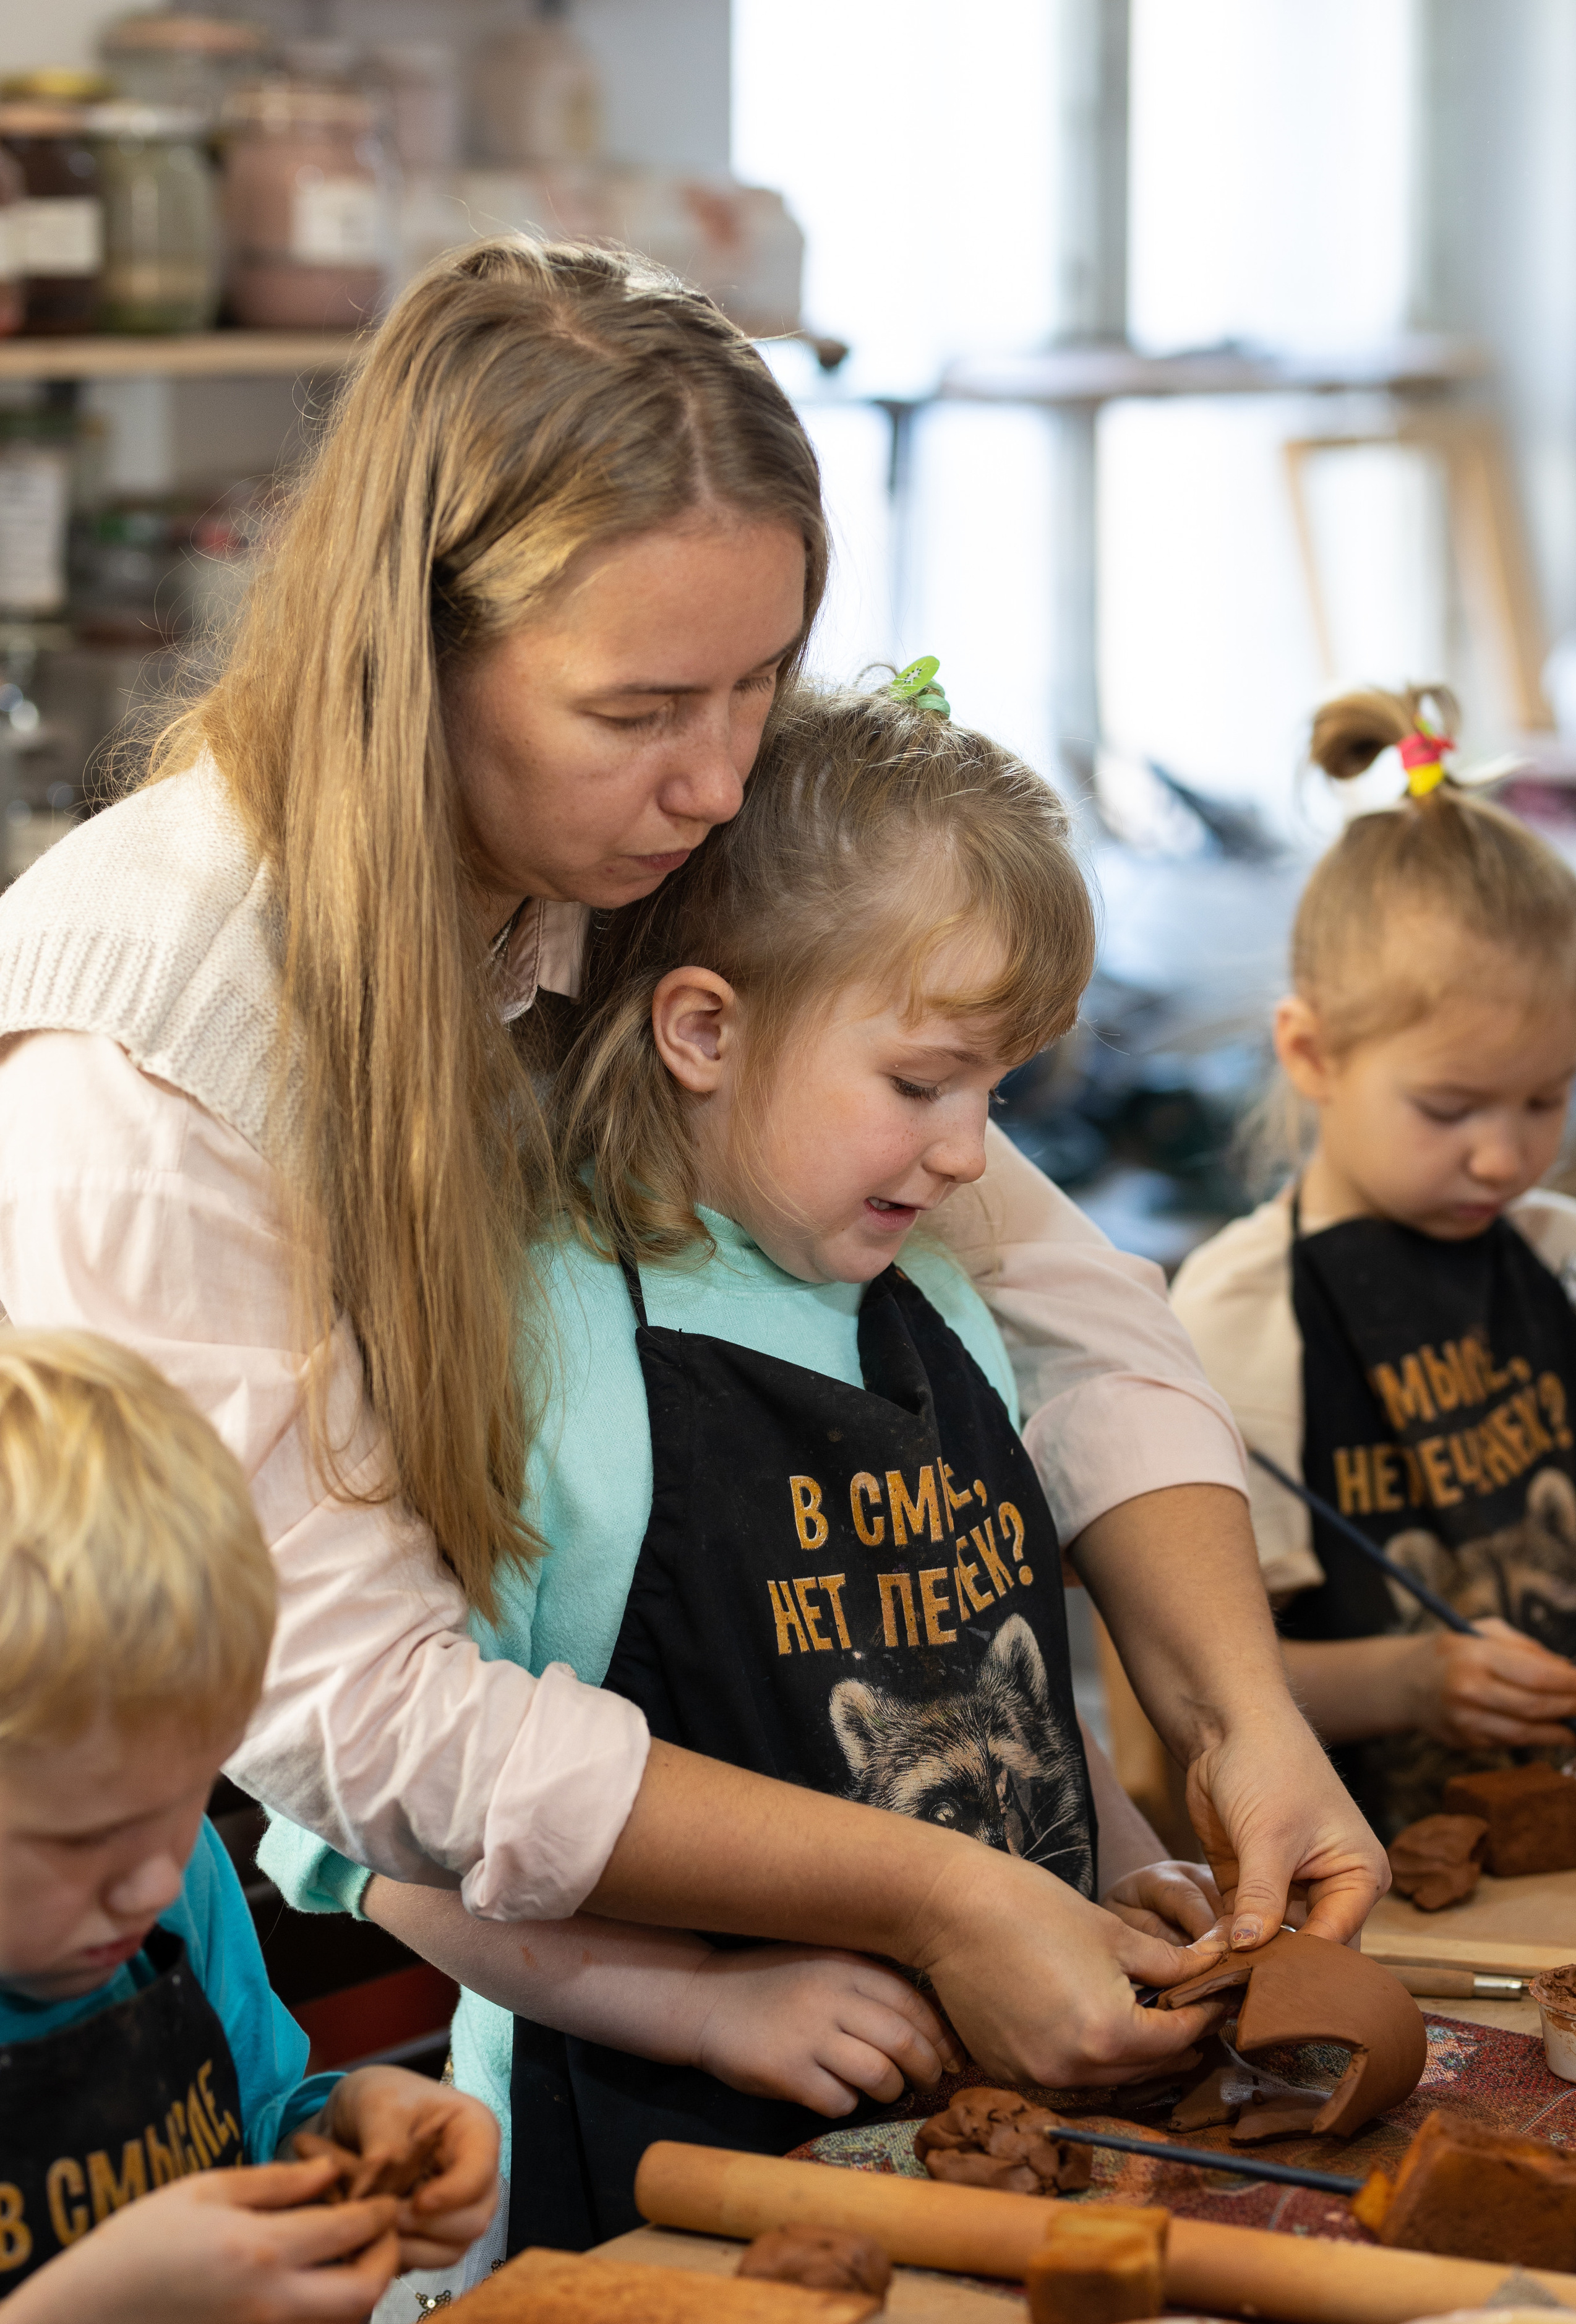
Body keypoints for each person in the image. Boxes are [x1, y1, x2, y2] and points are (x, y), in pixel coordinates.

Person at [0, 237, 1385, 2093]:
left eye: (760, 686)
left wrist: (1239, 1721)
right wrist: (933, 1898)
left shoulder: (627, 869)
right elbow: (363, 1721)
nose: (723, 782)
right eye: (644, 712)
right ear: (411, 653)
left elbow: (1066, 1312)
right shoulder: (148, 1038)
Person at [265, 678, 1238, 2278]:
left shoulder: (938, 1302)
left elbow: (1007, 1689)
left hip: (994, 2150)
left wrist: (1127, 1864)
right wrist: (700, 2002)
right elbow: (382, 1855)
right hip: (658, 2181)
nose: (972, 1154)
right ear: (703, 1030)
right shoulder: (538, 1344)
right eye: (923, 1085)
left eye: (998, 1092)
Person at [0, 1331, 499, 2324]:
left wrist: (342, 2131)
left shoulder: (175, 1883)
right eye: (85, 1838)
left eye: (184, 1803)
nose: (154, 1880)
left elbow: (248, 2123)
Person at [1172, 684, 1576, 1839]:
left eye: (1548, 1098)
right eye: (1450, 1107)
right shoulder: (1240, 1317)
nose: (1505, 1154)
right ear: (1309, 1051)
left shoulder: (1563, 1261)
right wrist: (1412, 1684)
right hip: (1369, 1879)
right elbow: (1195, 1695)